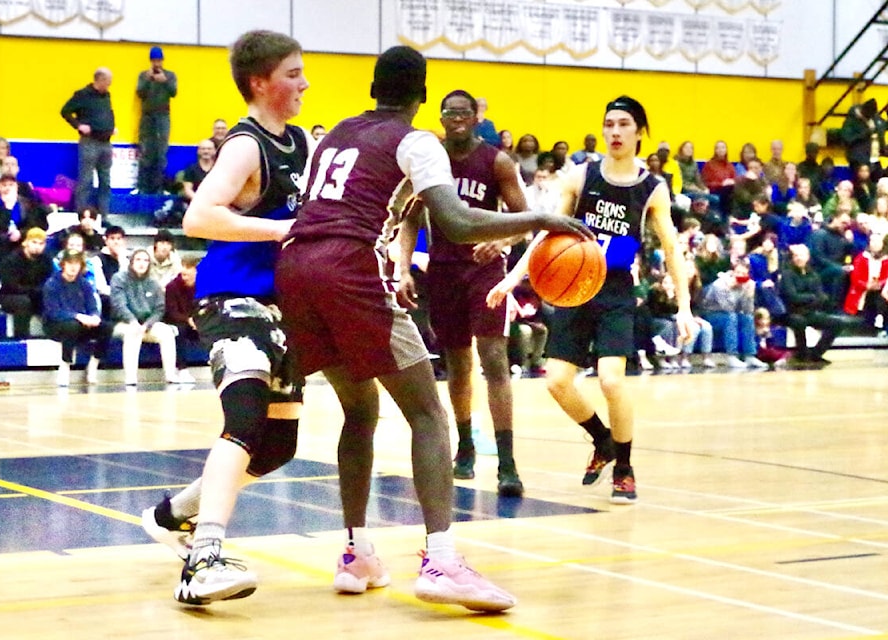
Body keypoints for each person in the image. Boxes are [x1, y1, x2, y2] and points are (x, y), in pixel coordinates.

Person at [275, 45, 592, 611]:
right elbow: (457, 220)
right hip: (349, 269)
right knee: (427, 412)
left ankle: (357, 553)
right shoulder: (415, 140)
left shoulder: (336, 134)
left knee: (360, 410)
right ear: (422, 95)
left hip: (296, 270)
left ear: (373, 88)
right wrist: (541, 217)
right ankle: (442, 561)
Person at [140, 30, 310, 606]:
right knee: (243, 420)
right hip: (232, 298)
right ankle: (203, 559)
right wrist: (282, 229)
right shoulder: (246, 145)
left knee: (278, 446)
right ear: (260, 82)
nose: (304, 83)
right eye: (292, 74)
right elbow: (198, 217)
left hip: (277, 304)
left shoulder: (300, 145)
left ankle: (172, 516)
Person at [488, 95, 694, 505]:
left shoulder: (652, 187)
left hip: (615, 289)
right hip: (574, 287)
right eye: (609, 124)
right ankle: (603, 441)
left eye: (623, 124)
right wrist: (512, 278)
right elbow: (547, 234)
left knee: (611, 380)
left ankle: (624, 468)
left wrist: (685, 306)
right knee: (557, 381)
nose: (615, 132)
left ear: (639, 132)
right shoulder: (580, 177)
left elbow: (671, 248)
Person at [397, 89, 527, 497]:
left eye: (462, 112)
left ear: (476, 118)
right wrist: (403, 267)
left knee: (494, 359)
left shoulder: (496, 161)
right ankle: (466, 445)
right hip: (444, 270)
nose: (455, 118)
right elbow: (409, 220)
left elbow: (524, 219)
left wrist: (503, 243)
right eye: (448, 112)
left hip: (485, 269)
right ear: (441, 117)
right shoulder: (427, 159)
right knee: (457, 364)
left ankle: (507, 462)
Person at [42, 249, 113, 386]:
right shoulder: (52, 284)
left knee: (107, 327)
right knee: (71, 325)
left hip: (81, 323)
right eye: (70, 263)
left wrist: (94, 316)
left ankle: (93, 364)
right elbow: (53, 312)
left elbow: (92, 305)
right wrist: (78, 316)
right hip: (55, 325)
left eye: (77, 263)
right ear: (63, 264)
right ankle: (65, 365)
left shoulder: (84, 284)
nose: (73, 267)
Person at [110, 249, 181, 385]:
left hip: (147, 324)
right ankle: (131, 378)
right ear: (131, 262)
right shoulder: (119, 279)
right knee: (133, 332)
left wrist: (148, 324)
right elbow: (119, 305)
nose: (142, 263)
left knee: (166, 332)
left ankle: (170, 375)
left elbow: (159, 309)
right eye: (138, 260)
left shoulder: (153, 283)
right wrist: (132, 321)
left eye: (145, 260)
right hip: (122, 323)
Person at [60, 68, 116, 219]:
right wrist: (78, 125)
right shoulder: (82, 95)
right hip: (90, 142)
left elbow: (106, 114)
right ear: (100, 80)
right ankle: (82, 216)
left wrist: (110, 127)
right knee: (86, 181)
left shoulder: (106, 95)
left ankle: (103, 216)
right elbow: (65, 111)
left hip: (106, 143)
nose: (109, 86)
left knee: (106, 181)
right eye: (107, 82)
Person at [0, 227, 54, 339]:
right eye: (34, 242)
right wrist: (33, 291)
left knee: (50, 299)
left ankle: (53, 335)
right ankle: (22, 339)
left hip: (36, 294)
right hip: (10, 295)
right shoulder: (12, 260)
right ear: (25, 242)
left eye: (41, 243)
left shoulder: (46, 260)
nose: (37, 246)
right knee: (23, 302)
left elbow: (48, 281)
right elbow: (10, 285)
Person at [136, 46, 178, 194]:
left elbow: (174, 92)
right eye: (154, 61)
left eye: (159, 60)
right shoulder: (143, 75)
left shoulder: (170, 75)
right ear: (150, 61)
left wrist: (165, 81)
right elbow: (139, 93)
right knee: (146, 152)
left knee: (161, 153)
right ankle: (142, 187)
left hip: (163, 117)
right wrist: (148, 80)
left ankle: (158, 188)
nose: (156, 64)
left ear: (162, 60)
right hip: (147, 117)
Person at [164, 255, 200, 383]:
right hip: (177, 321)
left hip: (197, 320)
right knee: (180, 330)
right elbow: (172, 312)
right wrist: (189, 319)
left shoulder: (204, 286)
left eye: (189, 272)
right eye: (183, 272)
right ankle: (182, 369)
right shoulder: (172, 286)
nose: (185, 276)